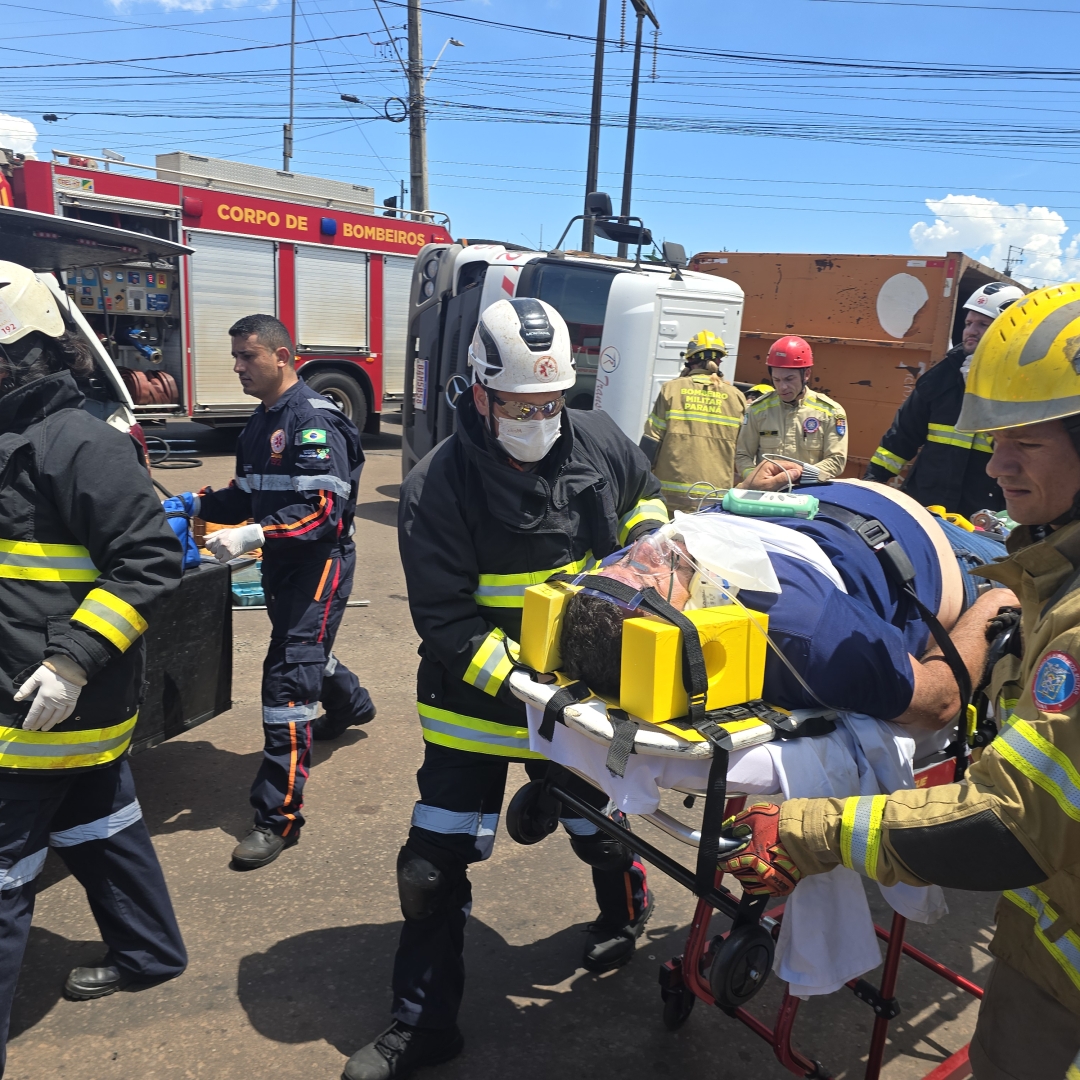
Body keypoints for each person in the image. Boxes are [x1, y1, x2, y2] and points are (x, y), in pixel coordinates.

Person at [717, 283, 1080, 1080]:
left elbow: (1010, 820)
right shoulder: (1048, 574)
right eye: (998, 440)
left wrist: (811, 832)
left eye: (1026, 442)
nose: (997, 464)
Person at [344, 298, 669, 1080]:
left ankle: (625, 910)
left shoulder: (597, 437)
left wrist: (645, 553)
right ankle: (424, 1025)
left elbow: (647, 500)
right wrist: (532, 690)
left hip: (582, 702)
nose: (539, 419)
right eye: (522, 405)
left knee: (601, 829)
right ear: (479, 393)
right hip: (475, 707)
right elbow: (448, 623)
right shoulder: (436, 486)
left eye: (551, 402)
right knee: (430, 871)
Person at [0, 262, 187, 1075]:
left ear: (22, 354)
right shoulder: (19, 437)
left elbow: (149, 560)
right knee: (100, 824)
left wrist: (72, 662)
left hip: (47, 702)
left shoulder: (79, 442)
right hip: (55, 698)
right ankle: (150, 951)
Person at [560, 479, 1009, 730]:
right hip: (951, 559)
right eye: (645, 573)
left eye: (622, 564)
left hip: (829, 503)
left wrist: (752, 490)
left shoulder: (633, 569)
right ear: (679, 625)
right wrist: (998, 601)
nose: (648, 550)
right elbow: (938, 701)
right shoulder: (801, 631)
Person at [186, 314, 374, 871]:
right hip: (281, 565)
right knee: (303, 647)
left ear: (282, 356)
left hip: (319, 564)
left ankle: (278, 819)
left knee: (288, 676)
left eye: (248, 356)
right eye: (236, 357)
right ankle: (351, 703)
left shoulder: (314, 421)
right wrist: (195, 503)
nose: (238, 368)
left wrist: (253, 535)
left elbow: (323, 513)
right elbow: (247, 493)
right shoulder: (258, 423)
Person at [864, 282, 1026, 519]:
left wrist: (983, 392)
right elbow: (901, 437)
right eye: (968, 323)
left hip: (985, 516)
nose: (971, 331)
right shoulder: (942, 376)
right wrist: (872, 482)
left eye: (983, 324)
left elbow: (1022, 450)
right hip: (928, 506)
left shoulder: (1025, 386)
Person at [639, 329, 747, 513]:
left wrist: (637, 480)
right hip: (714, 502)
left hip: (668, 500)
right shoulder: (736, 397)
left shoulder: (671, 390)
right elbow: (743, 451)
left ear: (689, 360)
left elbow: (651, 441)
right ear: (719, 362)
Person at [735, 336, 848, 483]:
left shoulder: (830, 412)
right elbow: (743, 456)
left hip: (809, 492)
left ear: (806, 374)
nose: (782, 387)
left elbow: (836, 459)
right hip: (767, 492)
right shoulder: (757, 411)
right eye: (776, 380)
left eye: (789, 379)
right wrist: (757, 479)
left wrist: (797, 477)